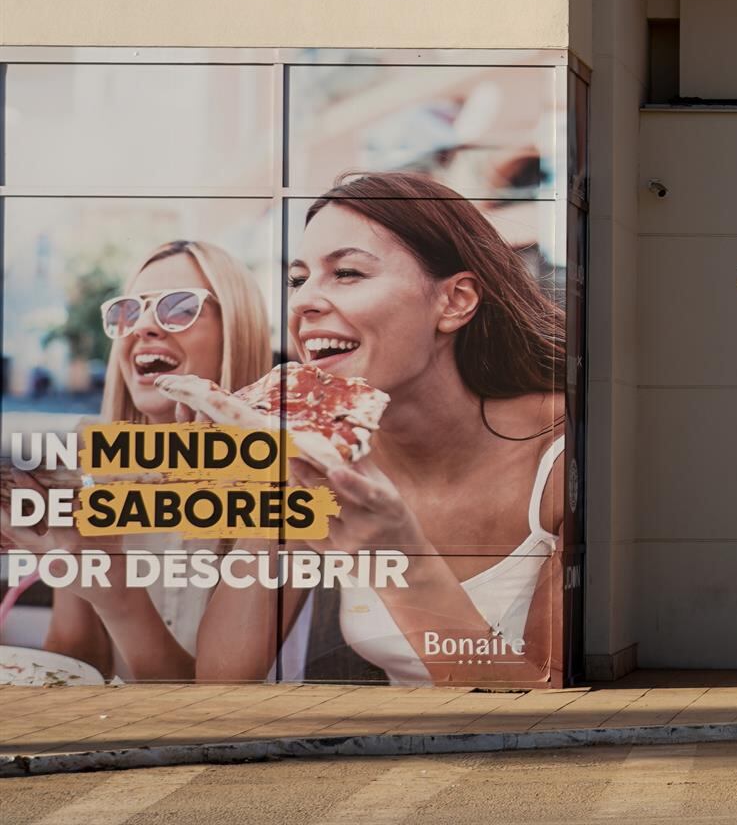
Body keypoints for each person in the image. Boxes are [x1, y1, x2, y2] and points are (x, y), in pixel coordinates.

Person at [198, 170, 567, 687]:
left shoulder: (566, 457)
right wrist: (276, 469)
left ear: (456, 300)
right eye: (298, 279)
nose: (304, 302)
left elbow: (551, 716)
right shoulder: (326, 458)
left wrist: (402, 561)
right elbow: (221, 681)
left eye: (347, 273)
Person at [1, 241, 271, 681]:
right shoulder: (90, 454)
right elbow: (75, 659)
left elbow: (215, 720)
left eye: (179, 308)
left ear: (237, 332)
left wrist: (118, 597)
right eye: (129, 311)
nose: (143, 325)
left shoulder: (283, 479)